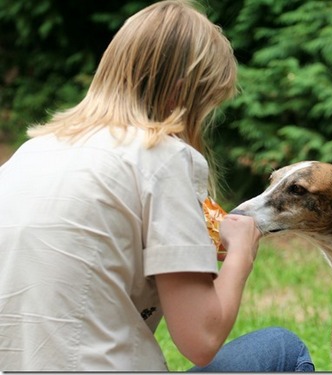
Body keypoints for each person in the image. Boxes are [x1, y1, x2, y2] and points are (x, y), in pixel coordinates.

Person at [0, 0, 314, 371]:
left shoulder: (29, 153)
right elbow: (201, 338)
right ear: (180, 95)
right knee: (281, 347)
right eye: (206, 106)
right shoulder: (162, 156)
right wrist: (242, 253)